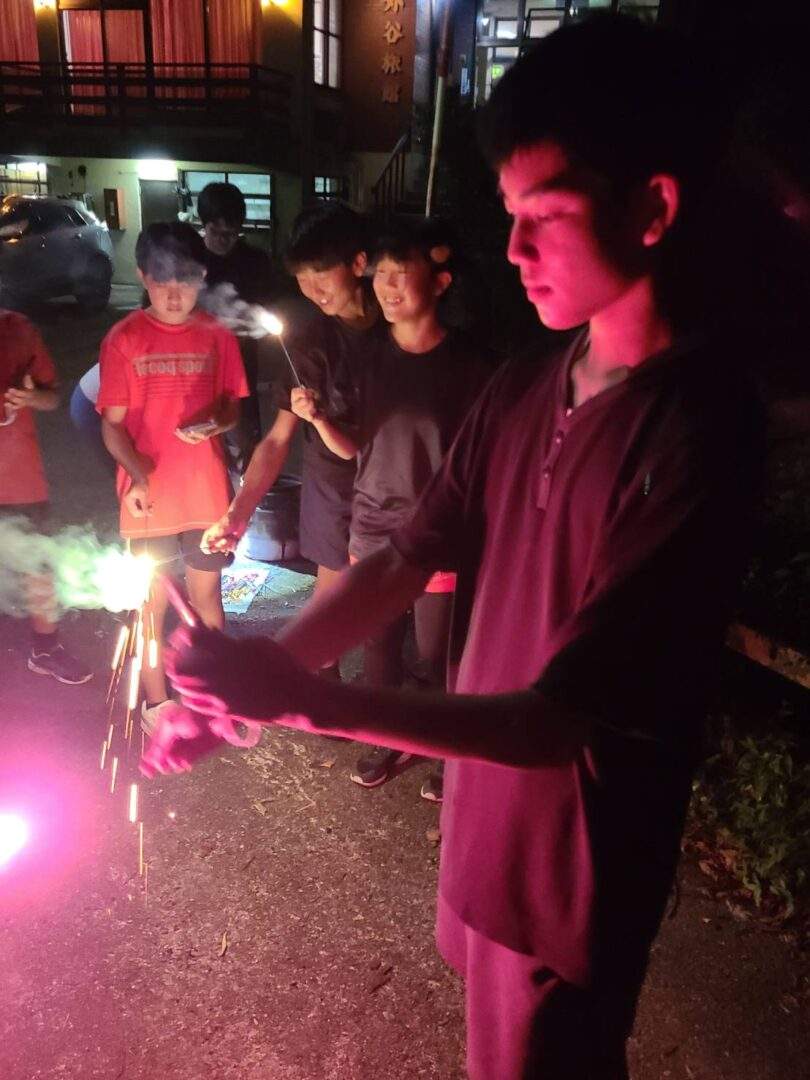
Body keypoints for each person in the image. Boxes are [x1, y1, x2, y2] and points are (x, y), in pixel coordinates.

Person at [144, 16, 763, 1078]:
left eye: (544, 214)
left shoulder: (696, 429)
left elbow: (560, 721)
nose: (512, 250)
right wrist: (251, 684)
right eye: (509, 214)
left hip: (571, 861)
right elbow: (400, 558)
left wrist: (300, 701)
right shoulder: (530, 382)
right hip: (483, 817)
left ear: (653, 208)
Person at [202, 203, 384, 681]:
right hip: (333, 484)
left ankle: (387, 688)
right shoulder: (308, 339)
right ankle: (322, 686)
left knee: (386, 601)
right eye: (302, 278)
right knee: (331, 598)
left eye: (321, 274)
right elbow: (277, 439)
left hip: (393, 481)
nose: (312, 289)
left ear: (358, 263)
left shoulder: (396, 321)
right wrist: (238, 513)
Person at [345, 219, 491, 793]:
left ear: (441, 282)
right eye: (379, 274)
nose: (386, 287)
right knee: (377, 644)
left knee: (437, 655)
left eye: (400, 274)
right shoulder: (365, 356)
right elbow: (351, 440)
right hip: (373, 524)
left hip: (439, 531)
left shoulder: (472, 364)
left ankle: (443, 748)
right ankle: (384, 737)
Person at [97, 221, 248, 734]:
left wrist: (217, 423)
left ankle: (212, 693)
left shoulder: (217, 333)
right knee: (152, 603)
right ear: (143, 277)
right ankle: (157, 703)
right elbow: (112, 426)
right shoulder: (124, 339)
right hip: (149, 498)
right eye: (163, 282)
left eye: (185, 280)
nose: (175, 294)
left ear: (201, 277)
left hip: (206, 492)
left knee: (207, 599)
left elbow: (232, 406)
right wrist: (137, 475)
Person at [0, 309, 92, 684]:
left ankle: (45, 648)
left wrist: (29, 397)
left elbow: (51, 397)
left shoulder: (18, 328)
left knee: (37, 564)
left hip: (20, 477)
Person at [197, 181, 278, 471]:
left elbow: (266, 308)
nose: (223, 240)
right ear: (204, 224)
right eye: (215, 231)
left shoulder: (254, 262)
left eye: (230, 233)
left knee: (246, 439)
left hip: (240, 366)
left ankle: (246, 488)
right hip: (197, 366)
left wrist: (252, 322)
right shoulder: (191, 260)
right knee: (201, 438)